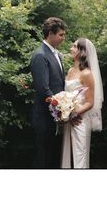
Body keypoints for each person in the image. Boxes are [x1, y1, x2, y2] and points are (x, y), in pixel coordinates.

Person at [30, 17, 67, 168]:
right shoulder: (40, 55)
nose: (63, 38)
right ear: (50, 33)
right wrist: (61, 110)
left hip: (54, 118)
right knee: (43, 160)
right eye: (61, 35)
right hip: (45, 118)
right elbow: (43, 89)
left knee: (52, 159)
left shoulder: (56, 54)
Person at [61, 38, 104, 168]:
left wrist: (73, 113)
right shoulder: (70, 71)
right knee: (67, 154)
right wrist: (66, 113)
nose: (71, 49)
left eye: (74, 46)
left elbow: (90, 102)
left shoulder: (87, 74)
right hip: (68, 119)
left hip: (80, 119)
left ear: (82, 51)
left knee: (80, 156)